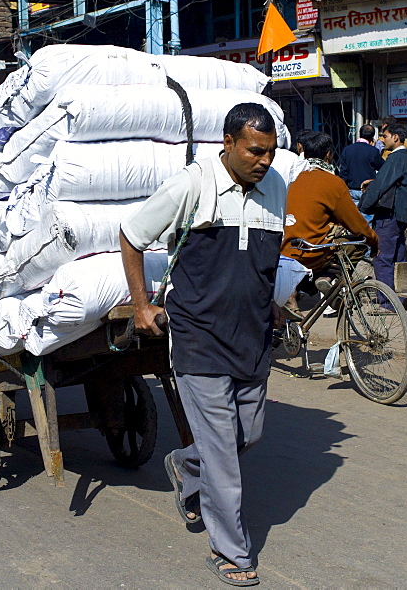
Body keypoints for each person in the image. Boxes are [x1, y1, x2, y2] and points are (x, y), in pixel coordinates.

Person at [120, 103, 286, 586]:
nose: (264, 160)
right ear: (228, 145)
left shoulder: (275, 186)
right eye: (255, 150)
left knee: (246, 435)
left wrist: (274, 300)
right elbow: (131, 236)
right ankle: (232, 552)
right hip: (198, 336)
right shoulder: (191, 185)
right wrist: (140, 304)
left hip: (252, 336)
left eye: (271, 152)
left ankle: (183, 464)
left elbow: (266, 257)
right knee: (222, 457)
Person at [281, 132, 379, 319]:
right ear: (328, 155)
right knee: (358, 242)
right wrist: (374, 241)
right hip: (314, 253)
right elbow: (357, 224)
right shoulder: (333, 182)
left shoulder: (290, 177)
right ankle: (330, 279)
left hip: (284, 250)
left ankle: (294, 292)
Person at [360, 123, 407, 294]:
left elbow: (381, 185)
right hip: (400, 216)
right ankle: (399, 298)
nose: (381, 140)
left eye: (385, 136)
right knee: (398, 257)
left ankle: (386, 302)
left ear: (395, 137)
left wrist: (363, 206)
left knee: (382, 258)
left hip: (388, 215)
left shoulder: (396, 158)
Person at [338, 124, 384, 216]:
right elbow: (382, 167)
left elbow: (343, 172)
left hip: (351, 189)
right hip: (367, 190)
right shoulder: (373, 151)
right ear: (372, 137)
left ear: (360, 134)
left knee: (353, 218)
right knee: (368, 219)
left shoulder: (347, 150)